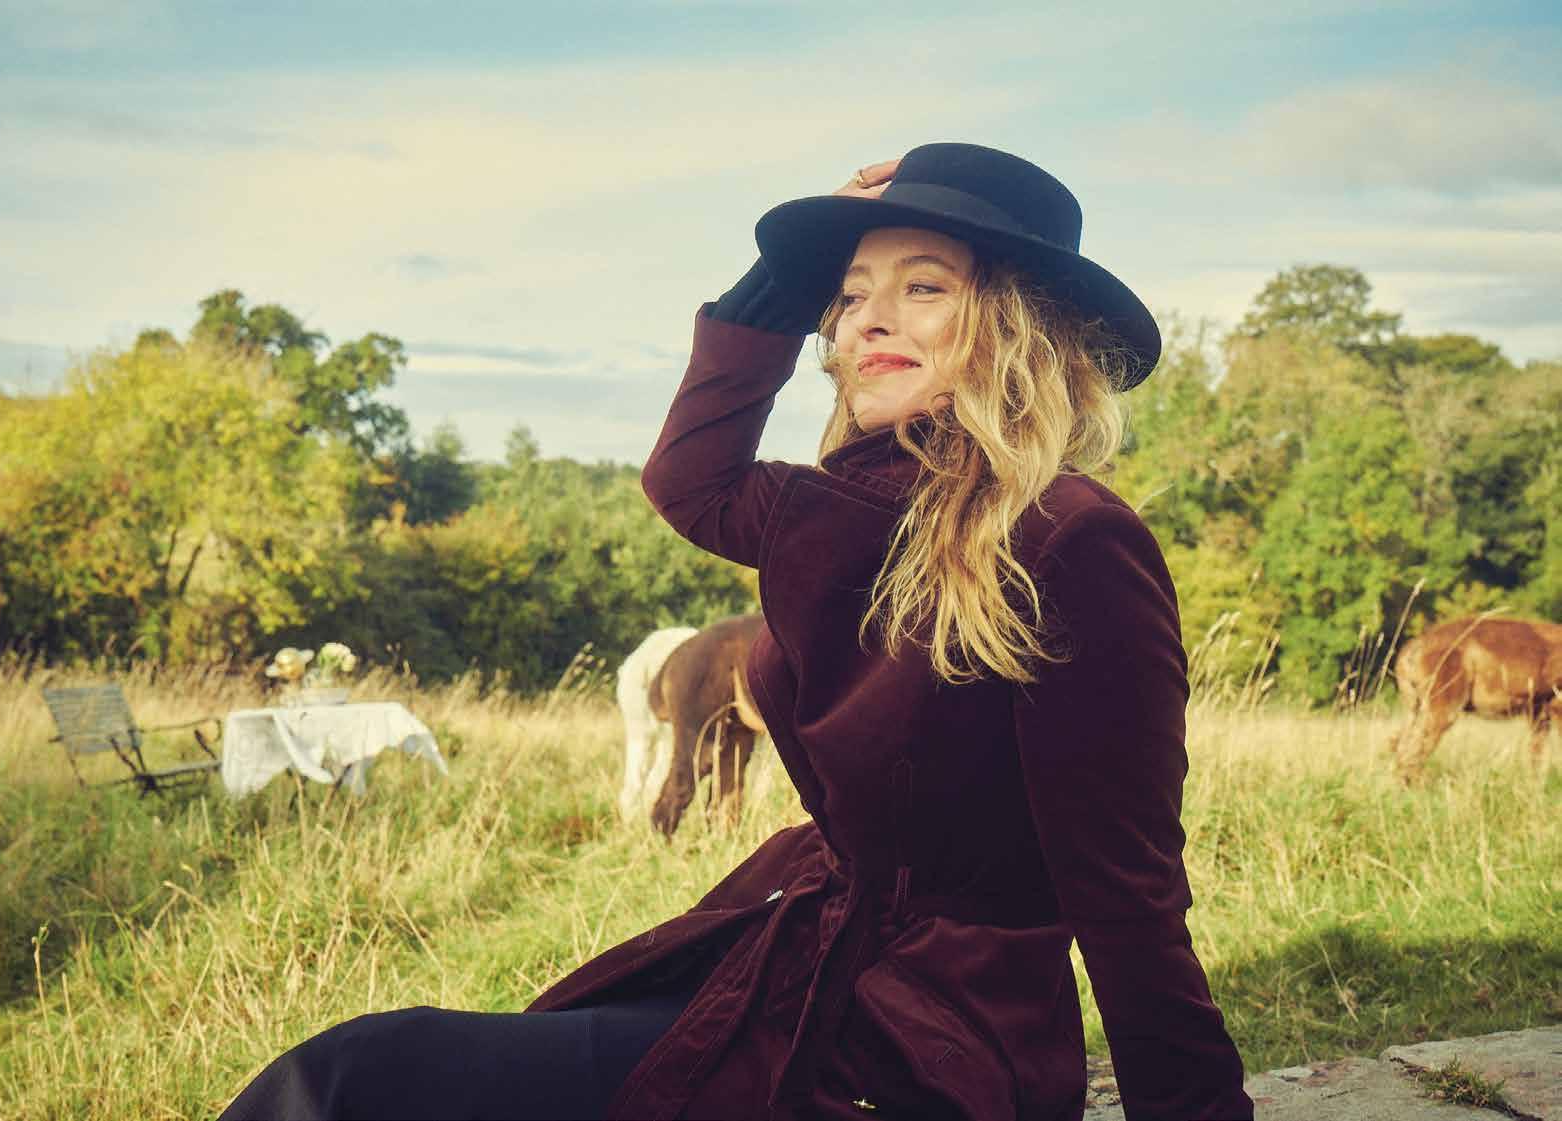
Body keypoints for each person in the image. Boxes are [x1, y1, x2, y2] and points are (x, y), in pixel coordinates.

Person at [219, 142, 1253, 1121]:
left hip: (930, 1046)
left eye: (924, 286)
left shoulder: (1073, 541)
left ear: (1018, 323)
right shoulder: (836, 507)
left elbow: (1130, 899)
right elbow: (687, 478)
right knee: (362, 1069)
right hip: (796, 965)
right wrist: (791, 265)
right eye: (850, 293)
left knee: (352, 1080)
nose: (867, 320)